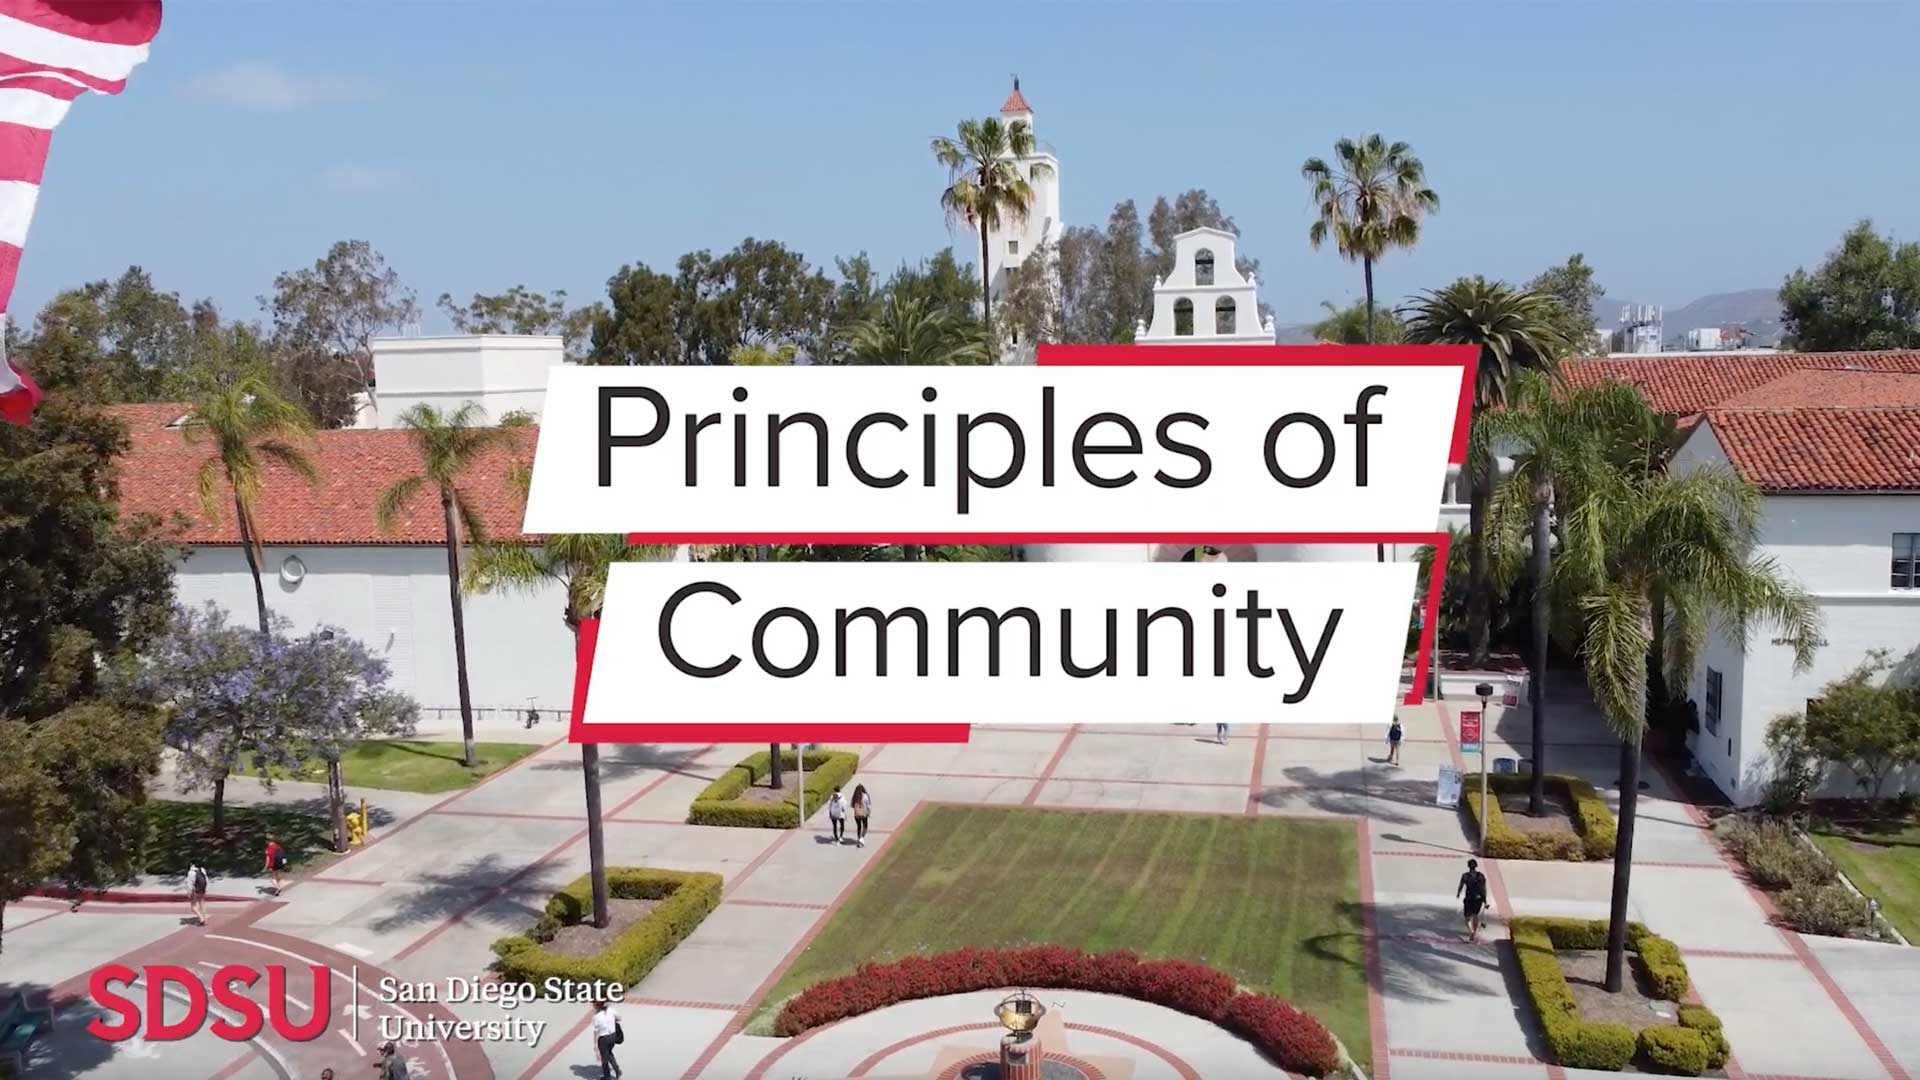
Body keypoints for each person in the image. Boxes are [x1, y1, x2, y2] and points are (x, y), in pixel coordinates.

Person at [1457, 858, 1491, 942]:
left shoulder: (1465, 876)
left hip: (1469, 898)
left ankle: (1471, 931)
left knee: (1467, 917)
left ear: (1468, 866)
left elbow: (1461, 885)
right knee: (1475, 915)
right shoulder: (1481, 876)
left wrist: (1458, 893)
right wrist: (1485, 900)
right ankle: (1474, 932)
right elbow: (1484, 889)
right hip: (1478, 898)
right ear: (1476, 866)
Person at [591, 999, 622, 1079]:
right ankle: (617, 1070)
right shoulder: (611, 1011)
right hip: (613, 1036)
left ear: (596, 1005)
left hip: (603, 1039)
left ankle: (607, 1077)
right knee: (609, 1053)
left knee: (604, 1059)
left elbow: (596, 1032)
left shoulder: (596, 1017)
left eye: (593, 1003)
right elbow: (619, 1018)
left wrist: (595, 1044)